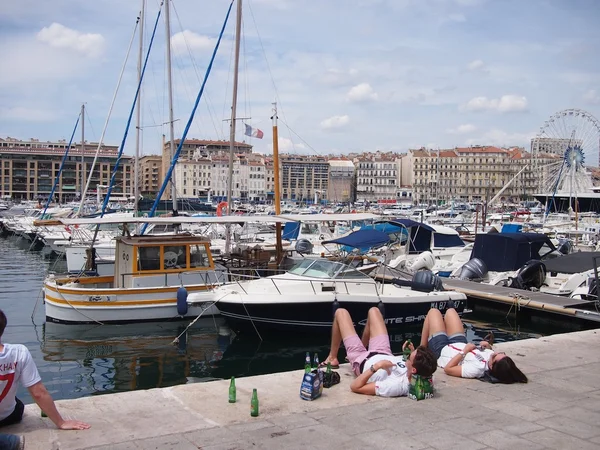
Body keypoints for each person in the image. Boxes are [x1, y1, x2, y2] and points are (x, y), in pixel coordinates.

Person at [0, 310, 90, 430]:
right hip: (7, 417)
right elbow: (38, 393)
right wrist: (61, 422)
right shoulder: (19, 352)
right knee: (17, 404)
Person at [321, 307, 437, 397]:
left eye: (411, 358)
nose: (409, 357)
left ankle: (332, 357)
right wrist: (409, 354)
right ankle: (361, 345)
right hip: (383, 351)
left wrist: (376, 366)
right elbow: (423, 370)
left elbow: (355, 387)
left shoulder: (395, 386)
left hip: (361, 359)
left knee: (341, 313)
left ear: (414, 369)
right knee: (374, 311)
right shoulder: (419, 372)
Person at [420, 306, 527, 384]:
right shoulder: (494, 360)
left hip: (442, 350)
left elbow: (448, 369)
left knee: (433, 312)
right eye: (500, 353)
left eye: (494, 356)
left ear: (491, 366)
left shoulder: (475, 369)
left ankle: (420, 351)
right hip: (460, 342)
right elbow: (490, 352)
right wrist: (488, 346)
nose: (494, 353)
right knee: (451, 311)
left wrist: (464, 352)